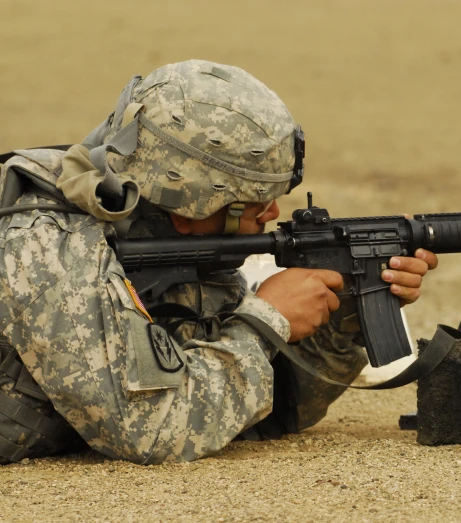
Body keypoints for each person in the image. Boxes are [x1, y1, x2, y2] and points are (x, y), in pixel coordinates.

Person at [0, 60, 437, 464]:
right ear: (189, 209)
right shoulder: (49, 249)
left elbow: (263, 410)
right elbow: (153, 429)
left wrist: (346, 314)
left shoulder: (165, 241)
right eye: (254, 204)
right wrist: (265, 321)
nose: (271, 216)